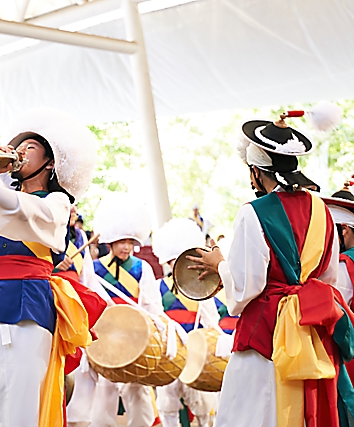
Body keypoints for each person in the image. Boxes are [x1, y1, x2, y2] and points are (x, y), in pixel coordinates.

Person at [189, 112, 352, 427]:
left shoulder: (253, 213)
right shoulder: (324, 211)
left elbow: (242, 291)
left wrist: (218, 263)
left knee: (255, 412)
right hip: (311, 331)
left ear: (256, 172)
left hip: (266, 334)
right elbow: (328, 278)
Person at [0, 109, 97, 427]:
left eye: (30, 147)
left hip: (28, 303)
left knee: (19, 405)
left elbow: (22, 209)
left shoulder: (57, 202)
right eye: (18, 147)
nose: (20, 151)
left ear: (50, 162)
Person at [72, 192, 162, 427]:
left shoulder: (142, 268)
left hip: (135, 337)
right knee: (104, 392)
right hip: (103, 338)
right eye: (122, 242)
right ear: (110, 242)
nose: (127, 247)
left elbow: (151, 306)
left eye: (131, 242)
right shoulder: (96, 269)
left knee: (138, 392)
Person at [151, 218, 225, 427]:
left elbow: (212, 322)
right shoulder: (158, 287)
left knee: (204, 406)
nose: (178, 264)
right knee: (167, 405)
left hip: (196, 353)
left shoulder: (203, 288)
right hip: (170, 353)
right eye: (174, 259)